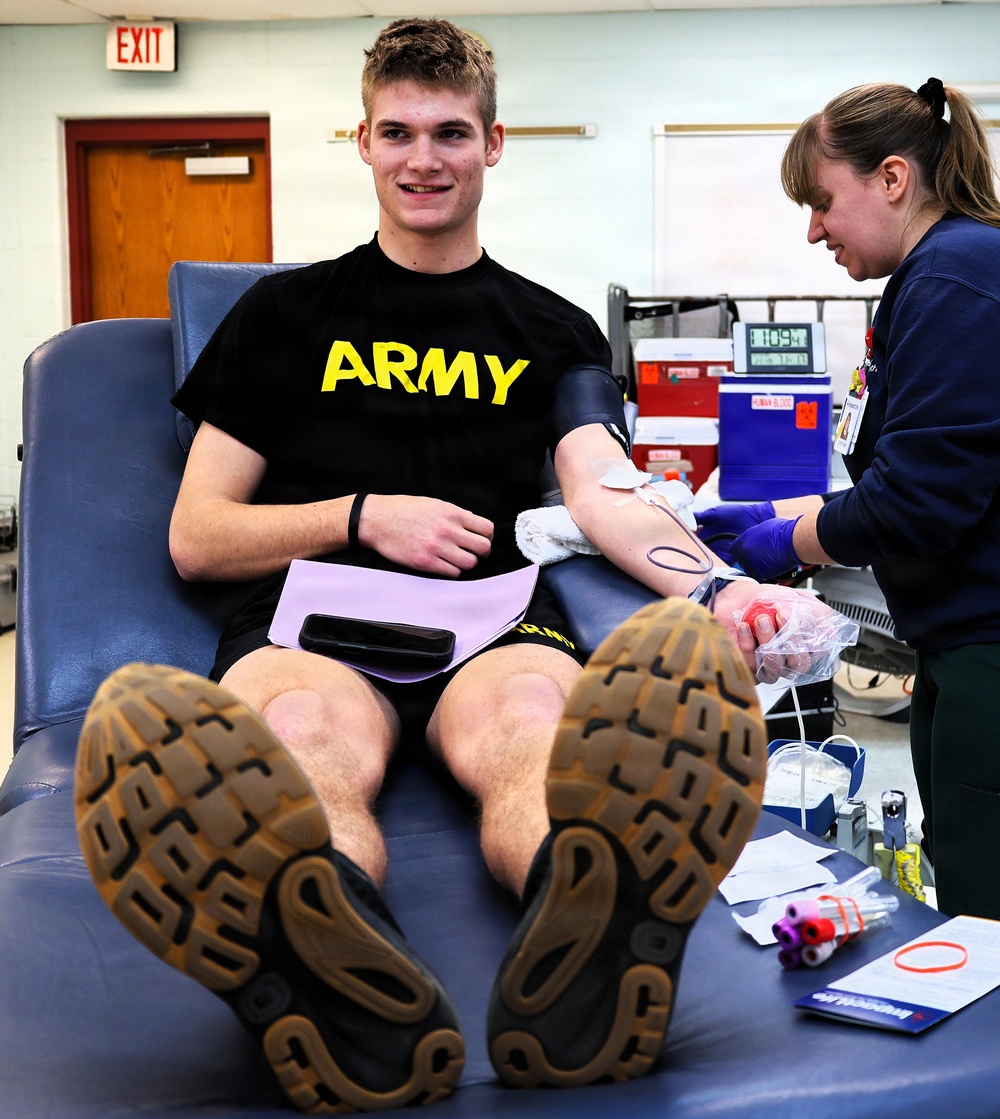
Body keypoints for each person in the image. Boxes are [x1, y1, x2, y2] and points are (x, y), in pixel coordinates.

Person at [72, 19, 808, 1113]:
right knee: (302, 735)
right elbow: (199, 533)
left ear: (493, 143)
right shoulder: (281, 318)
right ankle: (330, 970)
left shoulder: (553, 329)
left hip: (492, 618)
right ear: (363, 142)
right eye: (399, 132)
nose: (424, 159)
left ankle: (588, 940)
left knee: (533, 726)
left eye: (451, 133)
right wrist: (360, 516)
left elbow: (603, 490)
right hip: (314, 620)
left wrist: (721, 587)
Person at [698, 78, 1000, 922]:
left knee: (985, 909)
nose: (813, 229)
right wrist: (779, 512)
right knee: (964, 874)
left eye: (821, 202)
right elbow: (913, 468)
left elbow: (917, 503)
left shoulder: (957, 277)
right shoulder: (937, 275)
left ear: (893, 179)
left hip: (989, 650)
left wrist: (785, 541)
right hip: (959, 645)